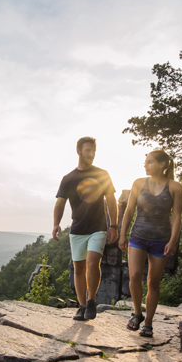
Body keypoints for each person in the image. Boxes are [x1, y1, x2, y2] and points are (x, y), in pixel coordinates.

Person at [118, 150, 182, 337]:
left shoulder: (175, 187)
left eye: (150, 162)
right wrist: (123, 234)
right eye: (145, 162)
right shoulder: (138, 183)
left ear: (163, 165)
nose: (145, 165)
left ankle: (148, 322)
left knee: (153, 282)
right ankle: (137, 313)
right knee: (135, 275)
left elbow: (177, 216)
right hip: (138, 236)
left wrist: (173, 241)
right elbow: (129, 210)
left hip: (161, 240)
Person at [53, 137, 118, 321]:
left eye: (93, 151)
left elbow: (112, 201)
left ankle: (91, 301)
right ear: (78, 151)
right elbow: (60, 203)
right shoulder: (68, 178)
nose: (91, 154)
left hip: (98, 227)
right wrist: (56, 223)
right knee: (78, 268)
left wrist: (113, 225)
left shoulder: (102, 174)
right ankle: (81, 307)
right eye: (87, 151)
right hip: (77, 229)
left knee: (92, 263)